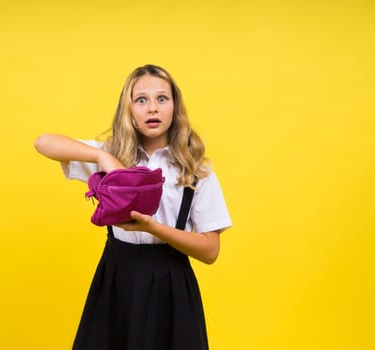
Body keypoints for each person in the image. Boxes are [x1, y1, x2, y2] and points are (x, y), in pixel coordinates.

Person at [34, 64, 232, 350]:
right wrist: (102, 159)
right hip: (117, 280)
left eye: (162, 98)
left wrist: (155, 228)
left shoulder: (195, 169)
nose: (152, 108)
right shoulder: (112, 154)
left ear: (175, 108)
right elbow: (43, 142)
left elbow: (210, 250)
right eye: (141, 100)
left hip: (171, 285)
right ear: (129, 110)